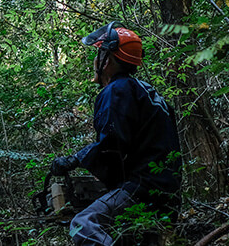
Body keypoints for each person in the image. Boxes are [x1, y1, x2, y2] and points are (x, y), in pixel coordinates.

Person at [50, 22, 181, 246]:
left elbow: (112, 144)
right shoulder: (148, 93)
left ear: (107, 60)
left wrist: (73, 160)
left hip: (142, 187)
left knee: (83, 223)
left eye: (99, 54)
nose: (95, 61)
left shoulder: (116, 91)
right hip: (167, 192)